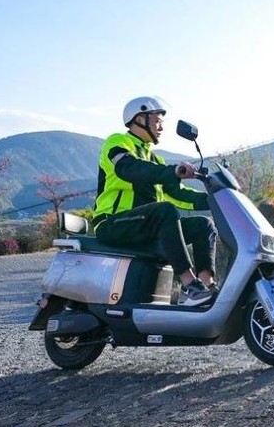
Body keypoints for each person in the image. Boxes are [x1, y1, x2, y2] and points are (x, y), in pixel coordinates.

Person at [92, 95, 218, 307]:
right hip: (112, 224)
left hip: (144, 227)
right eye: (157, 120)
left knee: (203, 225)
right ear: (140, 118)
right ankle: (190, 286)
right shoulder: (117, 143)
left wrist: (214, 200)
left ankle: (206, 286)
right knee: (165, 211)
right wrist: (173, 171)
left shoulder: (155, 159)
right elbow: (129, 168)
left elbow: (176, 195)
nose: (161, 127)